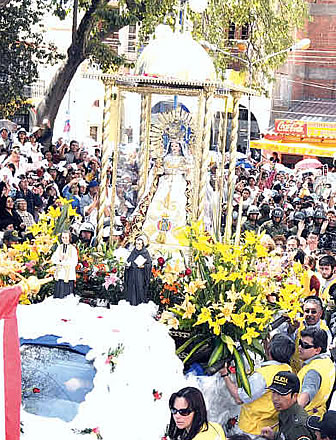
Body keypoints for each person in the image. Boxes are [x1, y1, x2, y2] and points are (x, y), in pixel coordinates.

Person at [220, 334, 295, 436]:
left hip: (252, 430)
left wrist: (225, 374)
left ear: (269, 350)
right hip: (270, 427)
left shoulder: (262, 376)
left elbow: (239, 398)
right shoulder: (287, 370)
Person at [261, 371, 315, 440]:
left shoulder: (298, 427)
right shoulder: (285, 413)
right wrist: (274, 436)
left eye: (281, 394)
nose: (275, 398)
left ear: (295, 396)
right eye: (274, 392)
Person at [297, 328, 335, 417]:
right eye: (300, 342)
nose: (299, 347)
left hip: (304, 420)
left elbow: (307, 393)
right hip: (318, 414)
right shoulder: (327, 362)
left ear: (317, 350)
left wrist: (290, 415)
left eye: (305, 345)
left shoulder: (313, 371)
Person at [124, 235, 151, 306]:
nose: (137, 245)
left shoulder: (145, 253)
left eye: (139, 244)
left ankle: (140, 302)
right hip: (132, 274)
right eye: (136, 244)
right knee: (131, 288)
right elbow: (129, 260)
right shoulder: (133, 252)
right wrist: (127, 265)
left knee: (140, 288)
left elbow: (149, 264)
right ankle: (131, 301)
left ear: (142, 245)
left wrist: (144, 266)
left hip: (140, 275)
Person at [51, 231, 78, 298]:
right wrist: (59, 259)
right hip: (60, 273)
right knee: (58, 292)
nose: (64, 239)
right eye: (63, 237)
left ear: (69, 238)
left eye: (66, 237)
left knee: (66, 294)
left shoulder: (73, 249)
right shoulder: (59, 247)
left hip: (68, 275)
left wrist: (66, 259)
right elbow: (53, 258)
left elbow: (75, 261)